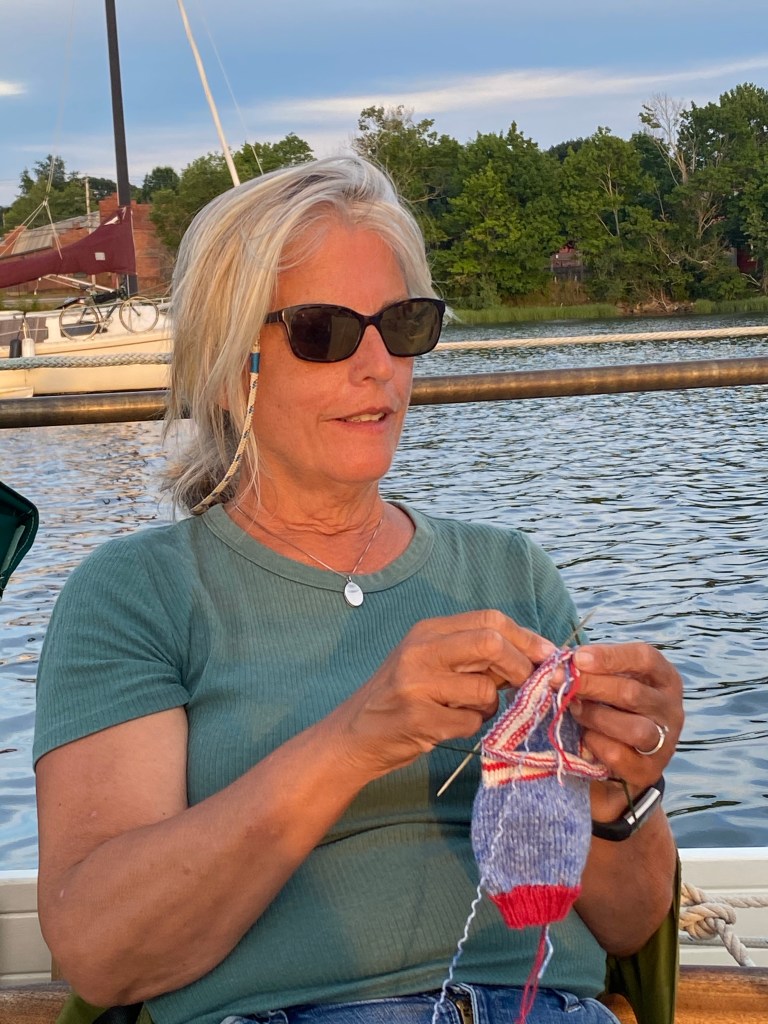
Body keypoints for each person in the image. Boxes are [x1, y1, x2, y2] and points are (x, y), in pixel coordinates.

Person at [33, 156, 683, 1024]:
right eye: (325, 331)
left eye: (403, 324)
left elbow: (628, 922)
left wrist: (618, 790)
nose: (379, 365)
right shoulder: (138, 593)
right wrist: (356, 740)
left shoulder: (509, 571)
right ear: (229, 364)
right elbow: (102, 951)